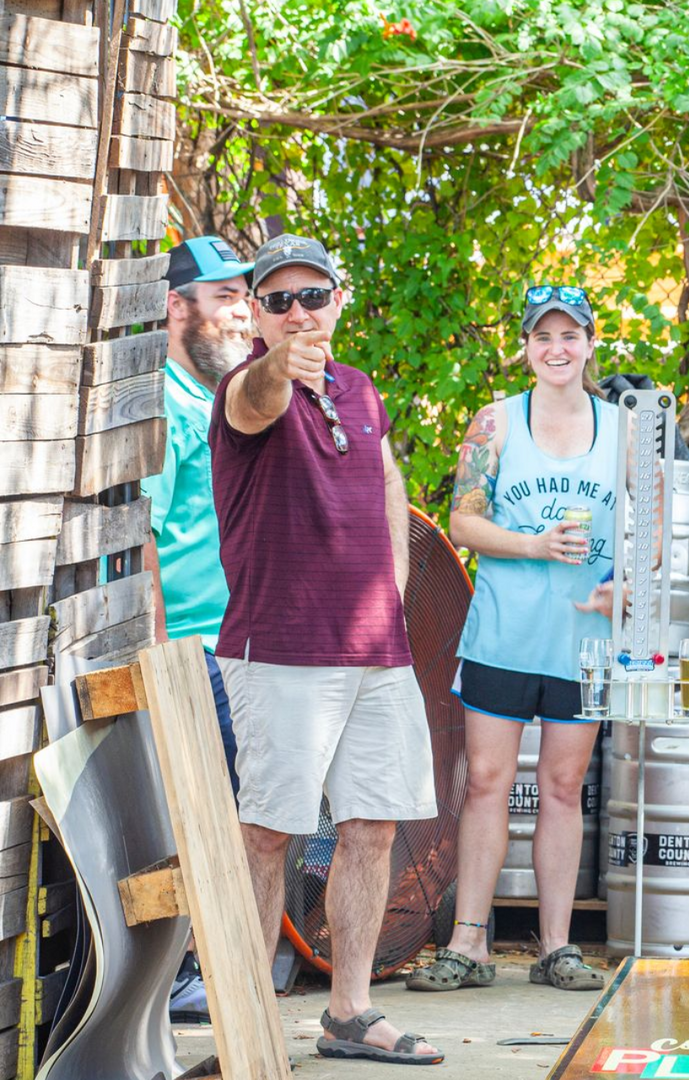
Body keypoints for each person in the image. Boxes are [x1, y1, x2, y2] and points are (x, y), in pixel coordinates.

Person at [209, 233, 442, 1064]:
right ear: (257, 315)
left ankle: (348, 1013)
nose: (299, 313)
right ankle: (246, 1021)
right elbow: (258, 399)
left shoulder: (360, 388)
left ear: (338, 300)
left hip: (374, 648)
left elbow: (388, 485)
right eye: (279, 301)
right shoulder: (246, 387)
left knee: (372, 828)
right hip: (280, 648)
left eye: (313, 296)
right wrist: (282, 363)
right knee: (268, 834)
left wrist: (394, 595)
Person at [407, 286, 615, 995]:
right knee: (488, 784)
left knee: (563, 788)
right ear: (526, 347)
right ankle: (468, 944)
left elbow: (650, 534)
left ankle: (558, 948)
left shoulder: (624, 430)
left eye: (569, 335)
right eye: (543, 336)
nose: (557, 349)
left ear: (590, 343)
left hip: (584, 643)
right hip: (502, 636)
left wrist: (626, 586)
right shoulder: (495, 422)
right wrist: (533, 544)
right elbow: (463, 523)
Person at [147, 234, 254, 1025]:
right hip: (192, 647)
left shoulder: (224, 401)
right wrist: (163, 661)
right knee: (198, 812)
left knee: (238, 809)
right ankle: (183, 972)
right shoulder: (162, 403)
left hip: (242, 641)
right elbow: (144, 539)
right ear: (175, 307)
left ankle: (216, 961)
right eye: (223, 297)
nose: (240, 312)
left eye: (243, 297)